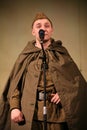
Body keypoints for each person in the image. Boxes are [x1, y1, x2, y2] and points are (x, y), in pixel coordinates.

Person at [0, 12, 87, 130]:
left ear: (52, 30)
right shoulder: (26, 55)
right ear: (33, 32)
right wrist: (14, 108)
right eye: (38, 26)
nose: (43, 29)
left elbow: (77, 83)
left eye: (47, 26)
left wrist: (64, 95)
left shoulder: (61, 54)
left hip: (57, 116)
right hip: (30, 115)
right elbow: (15, 85)